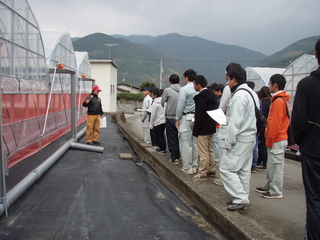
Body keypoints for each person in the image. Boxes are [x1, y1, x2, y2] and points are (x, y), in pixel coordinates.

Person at [218, 66, 258, 211]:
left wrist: (228, 142)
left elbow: (234, 122)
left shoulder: (239, 96)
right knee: (243, 171)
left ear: (234, 80)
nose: (227, 83)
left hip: (240, 137)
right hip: (250, 136)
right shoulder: (251, 93)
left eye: (228, 79)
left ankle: (240, 197)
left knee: (226, 169)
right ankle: (242, 198)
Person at [291, 38, 320, 240]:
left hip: (314, 150)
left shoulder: (307, 84)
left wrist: (304, 141)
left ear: (316, 56)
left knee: (315, 199)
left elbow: (298, 121)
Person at [255, 74, 290, 199]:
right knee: (271, 165)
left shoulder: (278, 101)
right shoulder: (279, 100)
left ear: (275, 85)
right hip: (277, 138)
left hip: (277, 138)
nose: (269, 86)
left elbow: (275, 123)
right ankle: (268, 185)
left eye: (270, 84)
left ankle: (276, 190)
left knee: (276, 166)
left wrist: (270, 139)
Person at [214, 62, 242, 186]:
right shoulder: (246, 91)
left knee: (224, 155)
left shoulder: (228, 89)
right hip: (241, 131)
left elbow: (222, 106)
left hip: (226, 126)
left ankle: (224, 180)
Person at [193, 75, 218, 181]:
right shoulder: (212, 95)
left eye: (194, 84)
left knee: (203, 152)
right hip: (211, 126)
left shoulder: (201, 97)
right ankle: (212, 170)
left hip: (203, 128)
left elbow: (199, 116)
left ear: (199, 85)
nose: (193, 86)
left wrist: (196, 131)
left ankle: (202, 172)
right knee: (209, 149)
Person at [175, 69, 198, 175]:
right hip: (196, 117)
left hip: (186, 117)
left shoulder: (184, 89)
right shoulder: (198, 88)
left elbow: (180, 106)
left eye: (183, 78)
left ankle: (187, 166)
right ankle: (195, 165)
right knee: (195, 143)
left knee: (185, 142)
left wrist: (177, 118)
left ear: (187, 78)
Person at [161, 74, 181, 164]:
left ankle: (174, 156)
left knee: (171, 137)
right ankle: (179, 155)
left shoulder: (167, 90)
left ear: (170, 82)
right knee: (179, 137)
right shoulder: (183, 90)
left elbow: (162, 102)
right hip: (181, 118)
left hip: (170, 117)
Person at [147, 88, 167, 154]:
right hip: (163, 121)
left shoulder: (155, 103)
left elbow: (153, 115)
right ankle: (163, 148)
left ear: (155, 95)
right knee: (162, 135)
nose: (151, 96)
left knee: (158, 137)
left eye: (152, 95)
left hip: (157, 122)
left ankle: (162, 149)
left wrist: (151, 124)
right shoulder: (163, 102)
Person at [257, 86, 272, 170]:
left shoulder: (263, 103)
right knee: (265, 145)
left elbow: (261, 116)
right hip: (269, 126)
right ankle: (263, 162)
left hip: (263, 126)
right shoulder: (271, 101)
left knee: (262, 145)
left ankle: (264, 162)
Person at [247, 81, 258, 173]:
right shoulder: (255, 96)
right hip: (255, 126)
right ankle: (253, 164)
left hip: (248, 129)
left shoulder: (243, 95)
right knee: (254, 147)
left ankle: (253, 164)